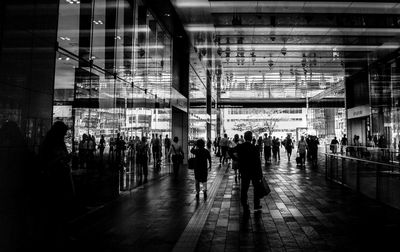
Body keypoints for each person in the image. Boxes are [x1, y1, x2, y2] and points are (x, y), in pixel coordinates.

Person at [39, 121, 75, 250]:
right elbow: (45, 163)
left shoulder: (56, 143)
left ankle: (59, 234)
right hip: (55, 181)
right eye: (64, 133)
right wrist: (60, 159)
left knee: (60, 209)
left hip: (60, 178)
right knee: (56, 209)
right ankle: (55, 236)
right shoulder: (50, 145)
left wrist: (65, 158)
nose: (65, 135)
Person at [230, 131, 263, 214]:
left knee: (244, 189)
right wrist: (260, 174)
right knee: (256, 188)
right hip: (254, 171)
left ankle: (245, 206)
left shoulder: (240, 146)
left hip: (244, 170)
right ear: (251, 138)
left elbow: (230, 151)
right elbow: (258, 162)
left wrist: (236, 159)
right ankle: (256, 205)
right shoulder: (255, 147)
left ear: (244, 138)